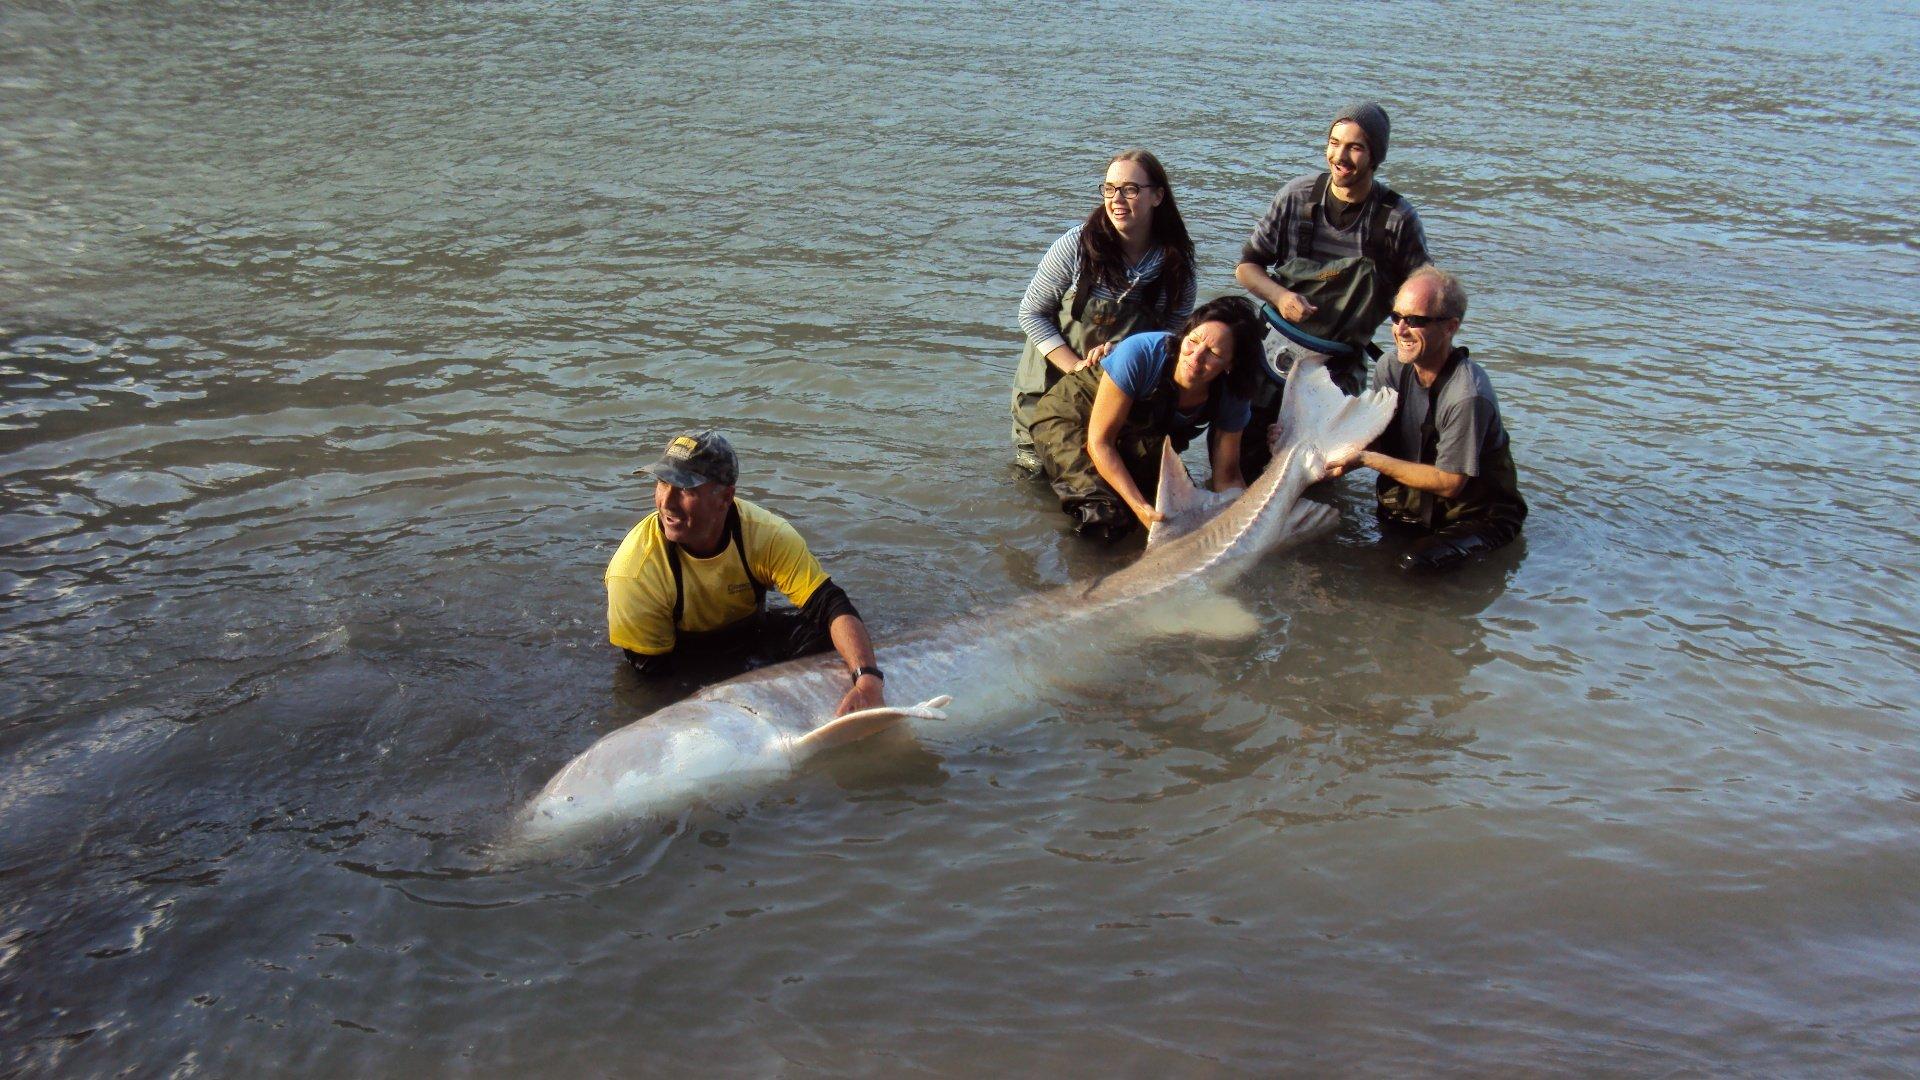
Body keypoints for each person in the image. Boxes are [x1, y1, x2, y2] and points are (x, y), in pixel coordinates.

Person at [605, 430, 887, 716]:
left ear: (725, 497)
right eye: (663, 483)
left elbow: (830, 604)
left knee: (825, 636)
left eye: (686, 489)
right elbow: (653, 679)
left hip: (747, 636)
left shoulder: (767, 534)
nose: (667, 502)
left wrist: (867, 679)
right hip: (679, 658)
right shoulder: (634, 571)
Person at [1235, 100, 1431, 475]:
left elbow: (1422, 298)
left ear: (1375, 157)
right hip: (1272, 354)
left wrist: (1411, 356)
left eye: (1355, 147)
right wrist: (1281, 296)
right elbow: (1246, 268)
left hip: (1338, 367)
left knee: (1316, 474)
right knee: (1245, 465)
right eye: (1334, 142)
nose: (1340, 156)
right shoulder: (1296, 197)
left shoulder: (1397, 219)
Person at [1326, 267, 1527, 574]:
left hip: (1475, 518)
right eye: (1396, 317)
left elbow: (1449, 483)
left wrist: (1367, 459)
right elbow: (1375, 434)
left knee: (1411, 566)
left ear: (1450, 327)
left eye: (1416, 321)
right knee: (1342, 557)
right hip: (1411, 508)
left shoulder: (1467, 396)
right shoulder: (1389, 368)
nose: (1401, 330)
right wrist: (1324, 446)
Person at [1012, 149, 1198, 475]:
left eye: (1130, 189)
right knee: (1037, 480)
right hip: (1048, 388)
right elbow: (1031, 313)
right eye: (1110, 189)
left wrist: (1123, 354)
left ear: (1157, 196)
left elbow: (1171, 344)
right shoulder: (1075, 246)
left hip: (1116, 396)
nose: (1116, 199)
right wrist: (1077, 367)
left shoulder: (1176, 269)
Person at [1028, 296, 1262, 540]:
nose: (1196, 357)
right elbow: (1100, 443)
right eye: (1193, 341)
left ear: (1231, 364)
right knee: (1107, 517)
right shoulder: (1142, 352)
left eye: (1213, 352)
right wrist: (1140, 509)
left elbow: (1228, 477)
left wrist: (1247, 526)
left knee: (1184, 517)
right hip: (1072, 415)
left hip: (1140, 435)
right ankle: (1084, 571)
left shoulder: (1233, 393)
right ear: (1184, 335)